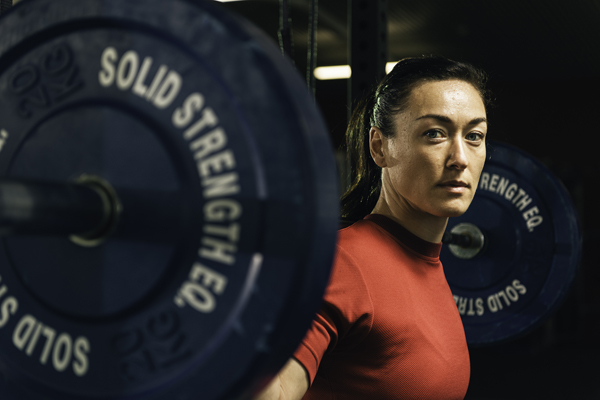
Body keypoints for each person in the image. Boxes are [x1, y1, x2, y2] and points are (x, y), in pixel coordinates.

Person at [256, 55, 490, 400]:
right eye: (435, 134)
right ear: (379, 147)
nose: (460, 158)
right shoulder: (341, 262)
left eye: (474, 136)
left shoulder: (425, 260)